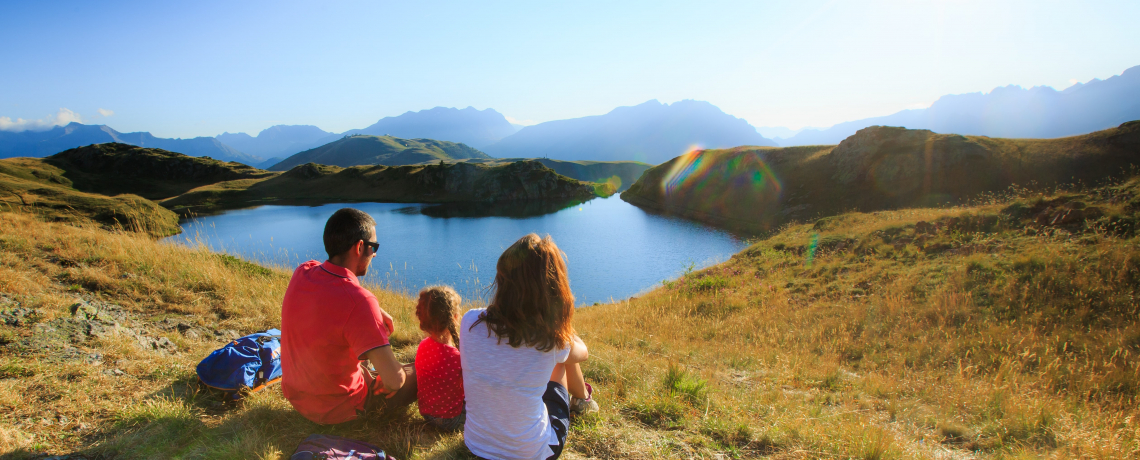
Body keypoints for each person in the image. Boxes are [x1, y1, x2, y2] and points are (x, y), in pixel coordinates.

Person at [460, 233, 599, 460]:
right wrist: (560, 324)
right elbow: (582, 354)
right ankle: (583, 401)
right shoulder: (549, 339)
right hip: (533, 452)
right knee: (561, 362)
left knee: (555, 356)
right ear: (553, 288)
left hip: (476, 444)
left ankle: (582, 400)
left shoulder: (470, 321)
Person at [280, 207, 416, 424]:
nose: (374, 255)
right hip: (341, 409)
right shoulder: (359, 301)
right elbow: (394, 381)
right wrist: (389, 378)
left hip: (298, 399)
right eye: (373, 247)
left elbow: (331, 306)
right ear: (360, 247)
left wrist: (376, 312)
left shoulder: (303, 272)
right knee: (423, 369)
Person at [413, 286, 466, 431]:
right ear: (454, 318)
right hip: (450, 421)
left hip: (426, 414)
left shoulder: (423, 346)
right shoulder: (457, 357)